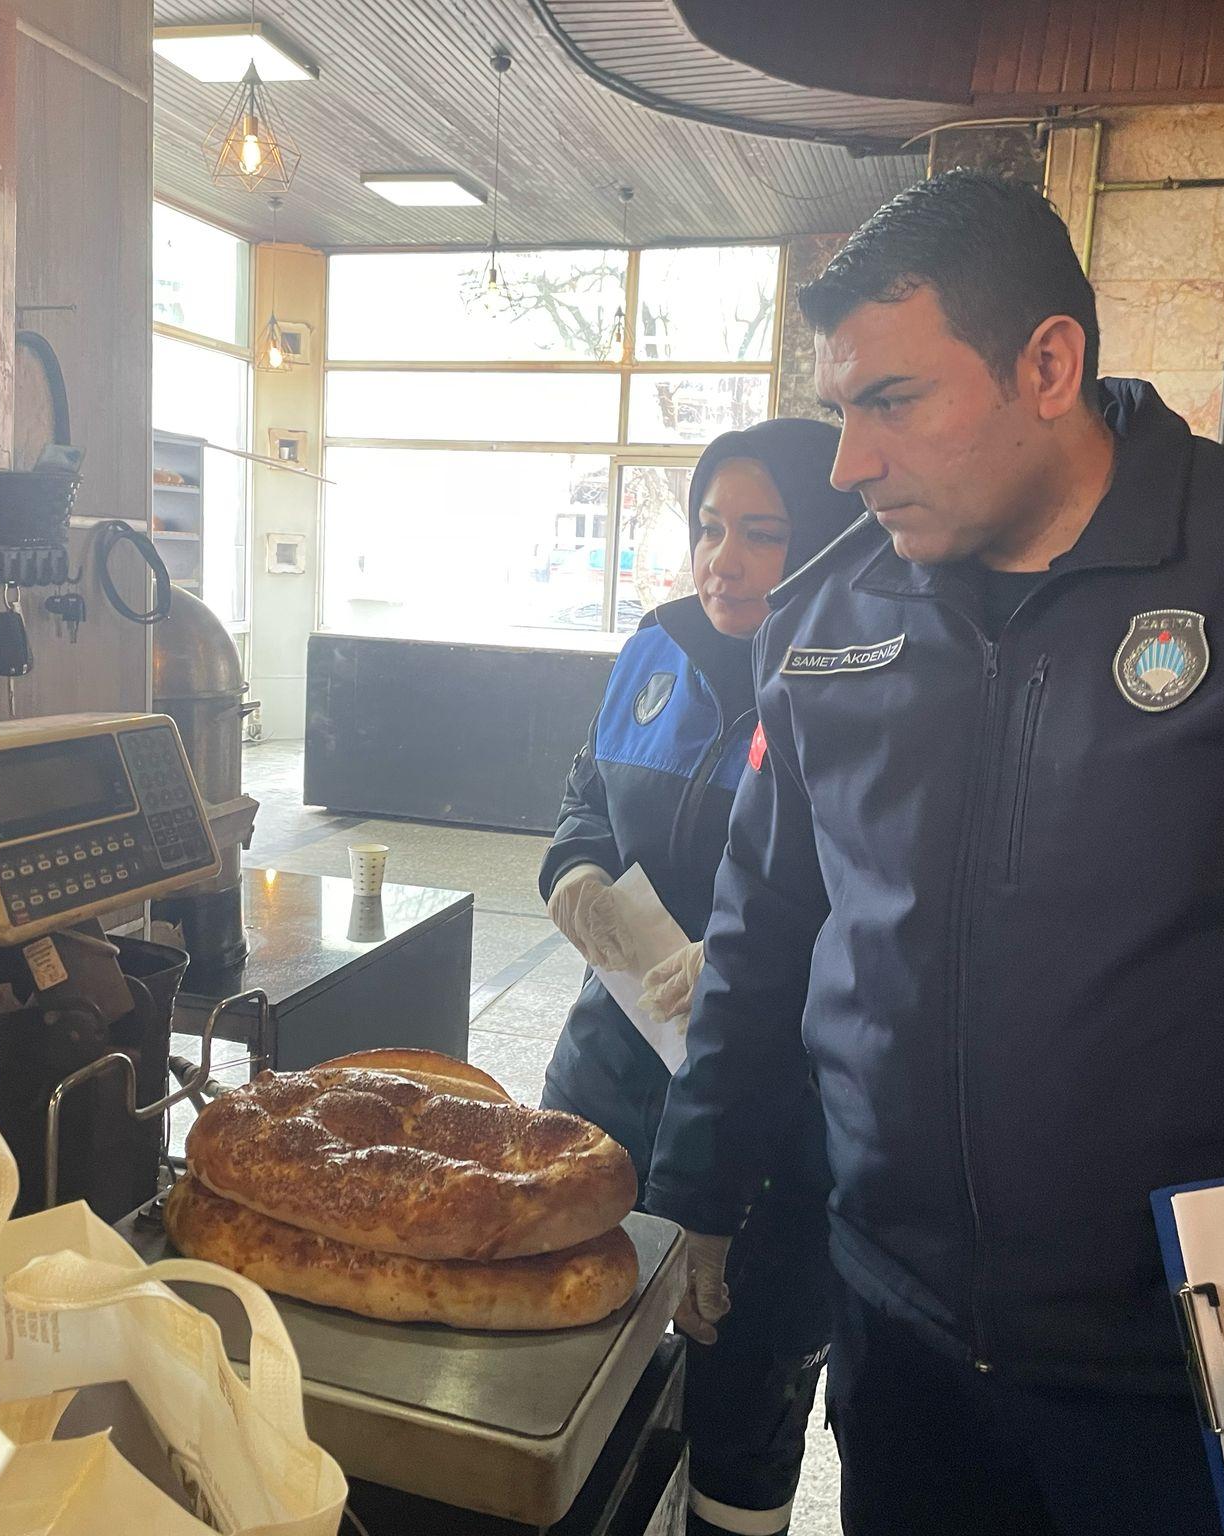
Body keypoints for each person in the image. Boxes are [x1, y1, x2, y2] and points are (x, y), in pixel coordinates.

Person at [645, 170, 1224, 1536]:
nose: (849, 464)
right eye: (841, 410)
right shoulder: (830, 619)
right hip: (908, 1353)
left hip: (1218, 1382)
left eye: (892, 401)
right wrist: (696, 1190)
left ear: (1049, 364)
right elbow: (766, 930)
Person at [540, 417, 862, 1536]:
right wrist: (573, 869)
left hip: (776, 1117)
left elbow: (901, 914)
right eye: (709, 528)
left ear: (828, 541)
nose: (723, 557)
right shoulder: (656, 648)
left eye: (764, 533)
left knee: (742, 1375)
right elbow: (586, 791)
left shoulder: (867, 686)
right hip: (608, 1072)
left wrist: (749, 957)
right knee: (572, 1361)